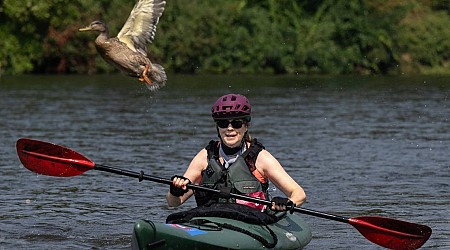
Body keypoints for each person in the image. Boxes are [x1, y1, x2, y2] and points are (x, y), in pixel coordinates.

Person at [166, 93, 306, 212]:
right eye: (223, 123)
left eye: (237, 123)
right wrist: (175, 191)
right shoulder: (205, 157)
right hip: (209, 223)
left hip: (252, 226)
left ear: (246, 126)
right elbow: (174, 203)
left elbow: (298, 194)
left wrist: (286, 203)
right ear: (218, 127)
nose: (230, 128)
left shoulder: (260, 158)